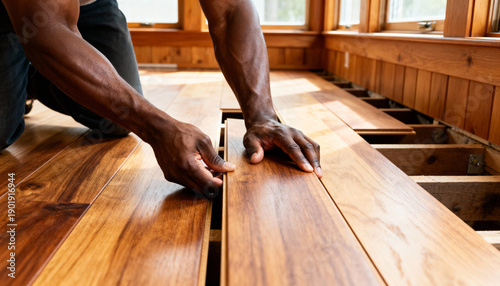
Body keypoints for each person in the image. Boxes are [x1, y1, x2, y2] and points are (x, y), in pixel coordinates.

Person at [0, 0, 322, 197]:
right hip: (29, 14)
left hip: (86, 4)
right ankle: (31, 66)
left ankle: (34, 79)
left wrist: (262, 115)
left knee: (112, 118)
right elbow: (47, 28)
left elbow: (232, 10)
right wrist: (158, 128)